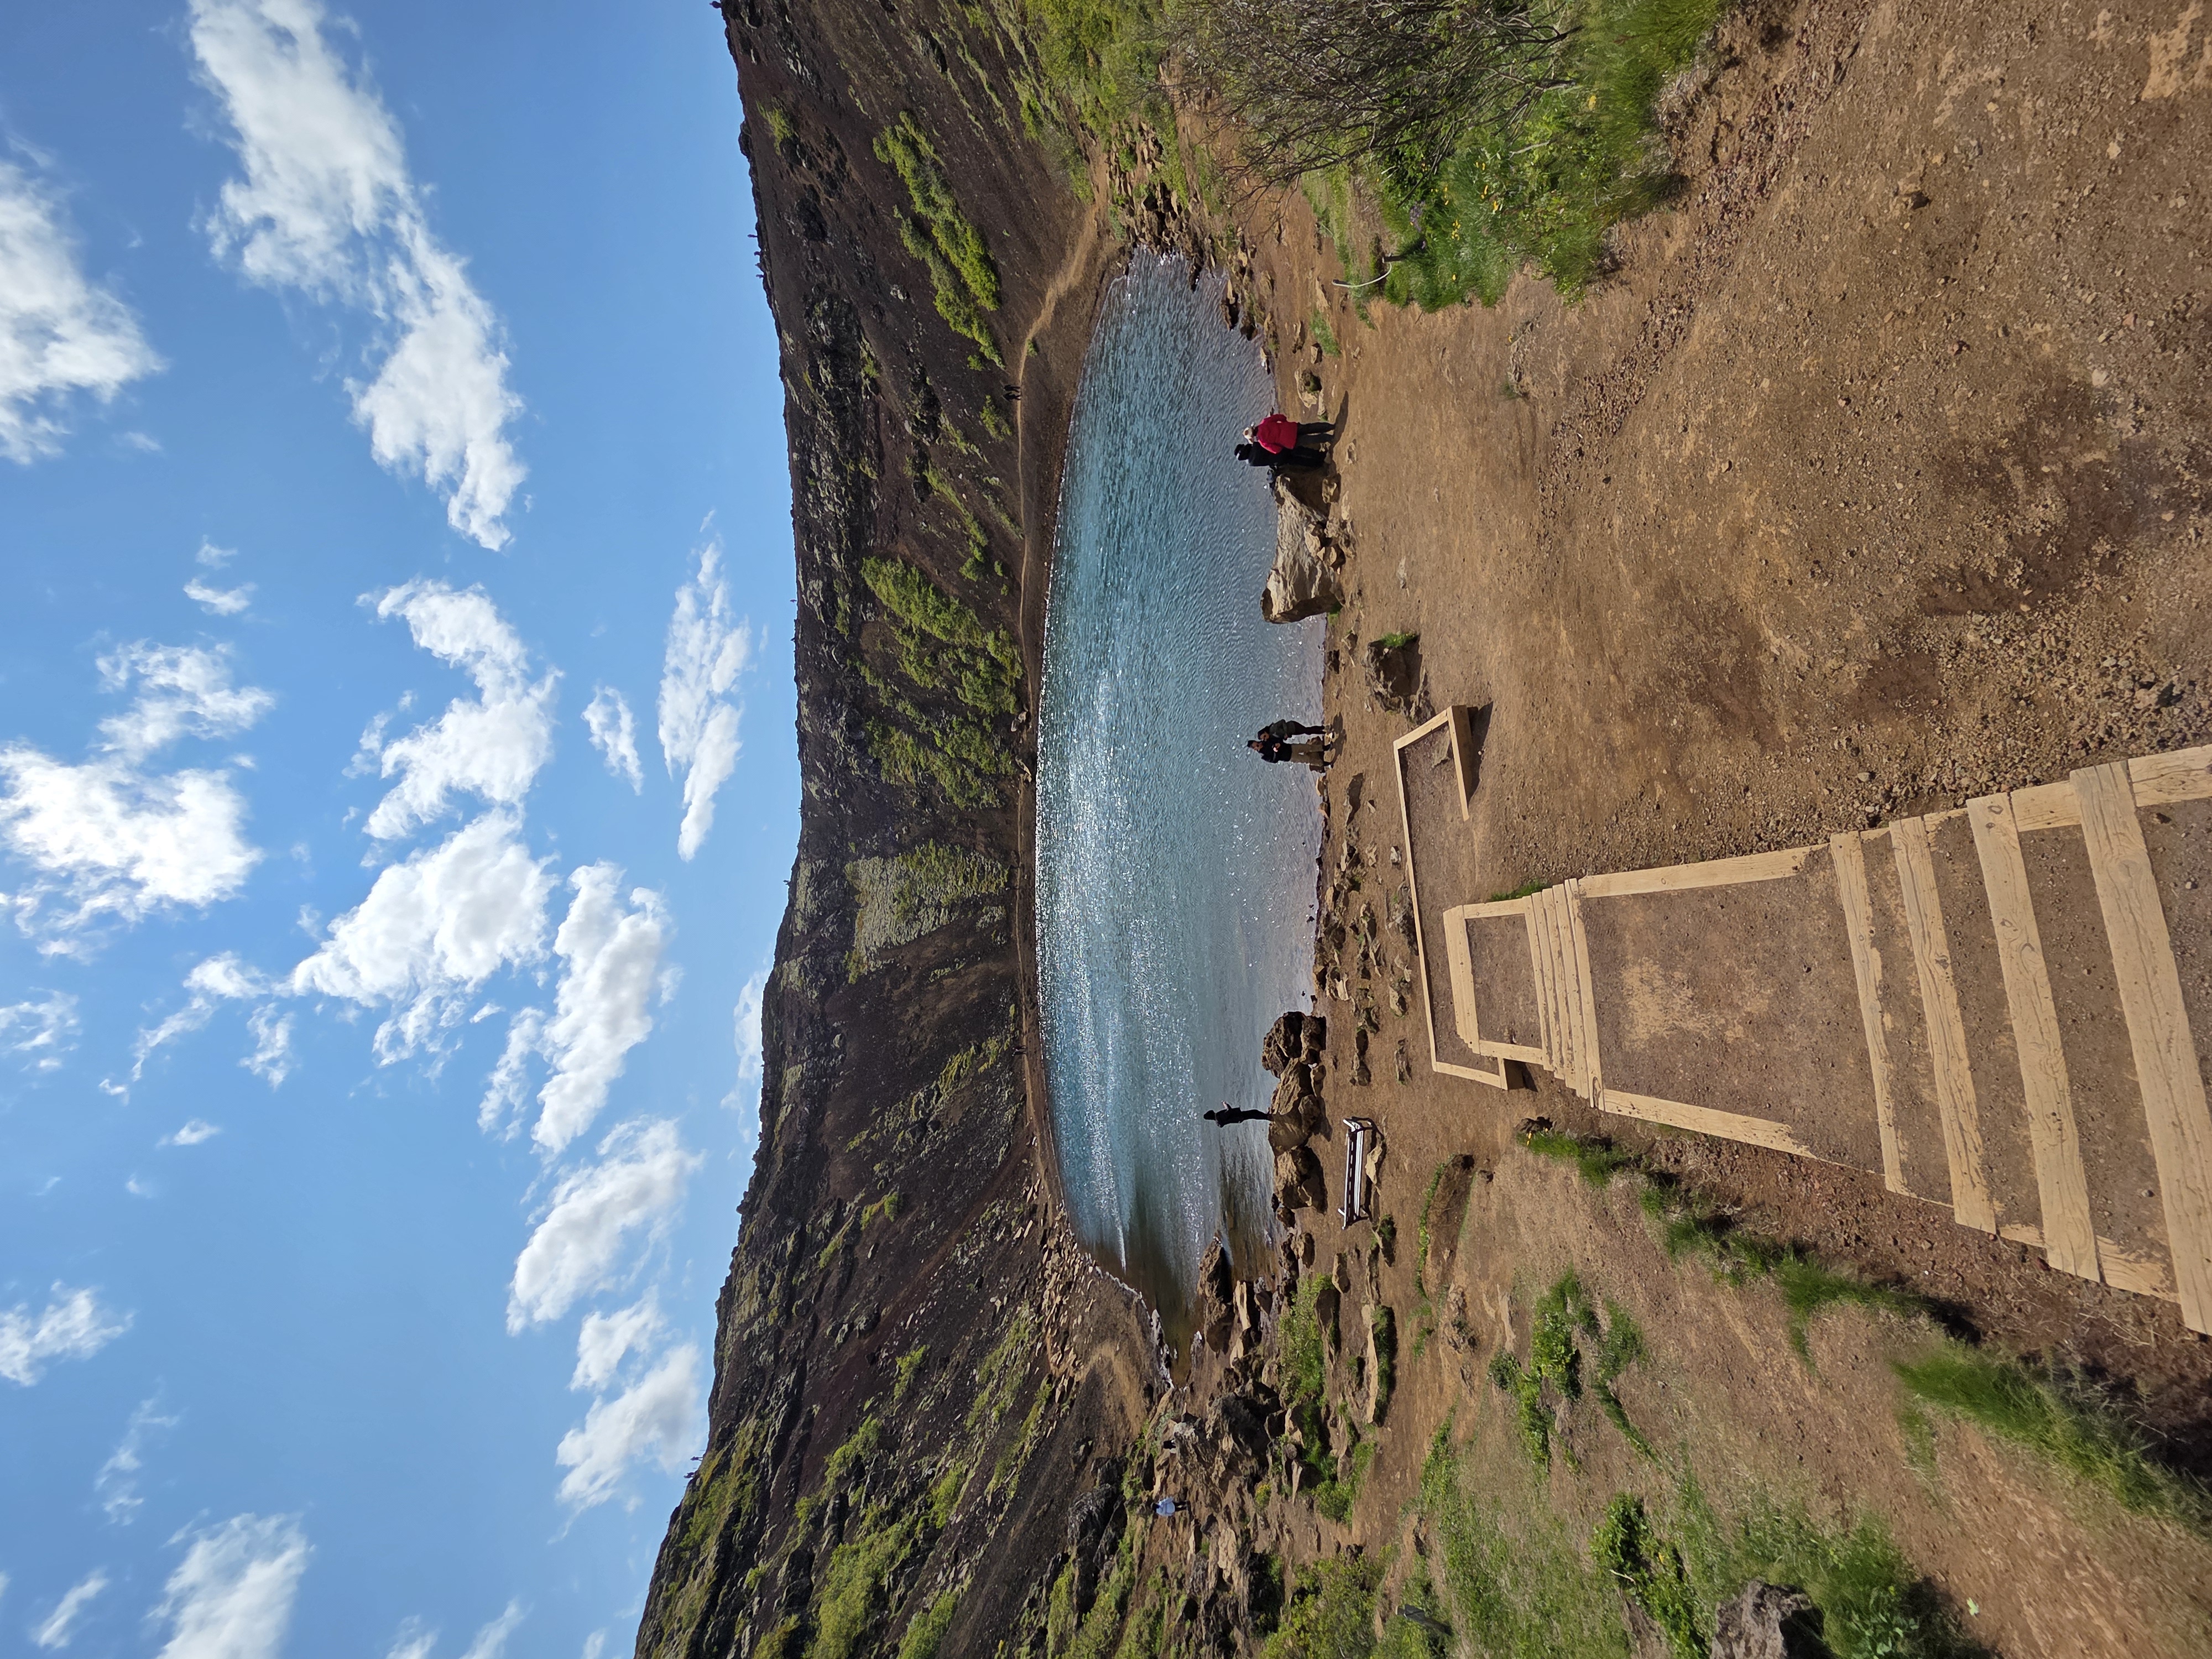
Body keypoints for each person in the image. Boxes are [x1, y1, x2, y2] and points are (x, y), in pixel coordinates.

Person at [1203, 1103, 1275, 1127]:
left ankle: (1266, 1117)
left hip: (1238, 1119)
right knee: (1254, 1113)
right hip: (1238, 1116)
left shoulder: (1218, 1120)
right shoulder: (1219, 1117)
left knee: (1253, 1114)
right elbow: (1229, 1111)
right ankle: (1267, 1117)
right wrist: (1226, 1105)